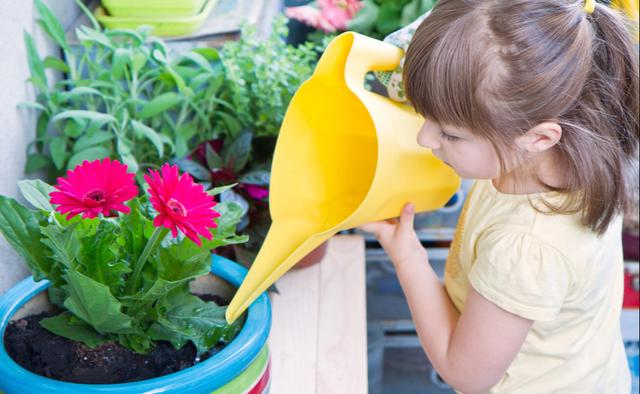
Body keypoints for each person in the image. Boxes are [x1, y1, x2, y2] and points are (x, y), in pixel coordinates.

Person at [360, 0, 639, 392]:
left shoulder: (525, 248)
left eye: (450, 134)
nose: (425, 139)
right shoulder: (569, 148)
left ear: (538, 138)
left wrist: (407, 256)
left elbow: (465, 374)